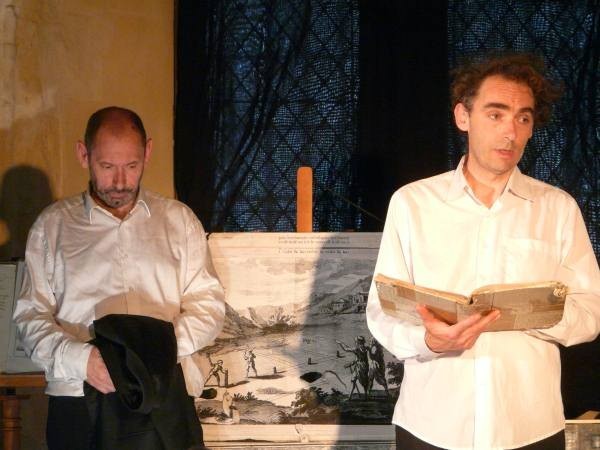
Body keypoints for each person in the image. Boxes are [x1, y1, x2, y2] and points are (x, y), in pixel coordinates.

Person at [366, 53, 600, 450]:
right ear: (463, 116)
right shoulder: (412, 203)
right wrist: (430, 341)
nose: (510, 131)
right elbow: (381, 310)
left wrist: (531, 313)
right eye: (496, 114)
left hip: (529, 426)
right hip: (432, 425)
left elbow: (591, 311)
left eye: (523, 118)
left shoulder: (557, 208)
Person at [13, 106, 226, 449]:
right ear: (83, 154)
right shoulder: (51, 227)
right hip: (79, 398)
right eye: (107, 166)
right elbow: (29, 317)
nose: (120, 182)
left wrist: (153, 353)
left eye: (132, 166)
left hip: (165, 396)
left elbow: (209, 306)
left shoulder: (179, 221)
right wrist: (83, 361)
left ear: (148, 152)